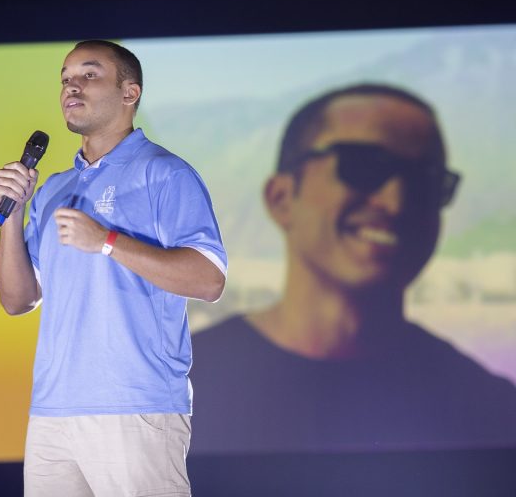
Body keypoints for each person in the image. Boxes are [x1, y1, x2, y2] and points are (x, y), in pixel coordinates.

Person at [189, 83, 516, 454]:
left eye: (425, 182)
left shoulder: (490, 410)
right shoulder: (174, 389)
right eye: (364, 167)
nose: (396, 202)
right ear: (281, 198)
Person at [0, 40, 227, 496]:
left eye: (89, 75)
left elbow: (209, 280)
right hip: (53, 412)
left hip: (135, 406)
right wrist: (15, 213)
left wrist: (107, 242)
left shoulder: (165, 174)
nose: (71, 87)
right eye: (65, 79)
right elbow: (17, 300)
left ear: (129, 93)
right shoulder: (54, 189)